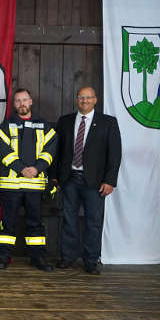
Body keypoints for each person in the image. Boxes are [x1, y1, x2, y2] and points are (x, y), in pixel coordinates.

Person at [54, 86, 121, 274]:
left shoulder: (108, 122)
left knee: (93, 221)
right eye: (81, 97)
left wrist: (110, 180)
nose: (84, 101)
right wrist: (56, 176)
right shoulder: (65, 121)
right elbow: (57, 151)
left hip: (95, 182)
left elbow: (115, 154)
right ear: (77, 99)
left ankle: (91, 261)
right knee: (68, 220)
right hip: (69, 179)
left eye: (88, 97)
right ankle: (67, 258)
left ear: (95, 100)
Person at [0, 88, 56, 272]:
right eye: (18, 101)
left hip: (35, 185)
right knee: (7, 223)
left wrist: (37, 169)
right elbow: (2, 150)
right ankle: (3, 257)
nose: (22, 103)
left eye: (24, 100)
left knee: (36, 223)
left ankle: (38, 258)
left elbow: (51, 149)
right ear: (14, 105)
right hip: (11, 185)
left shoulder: (43, 125)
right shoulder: (6, 126)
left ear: (31, 102)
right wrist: (21, 168)